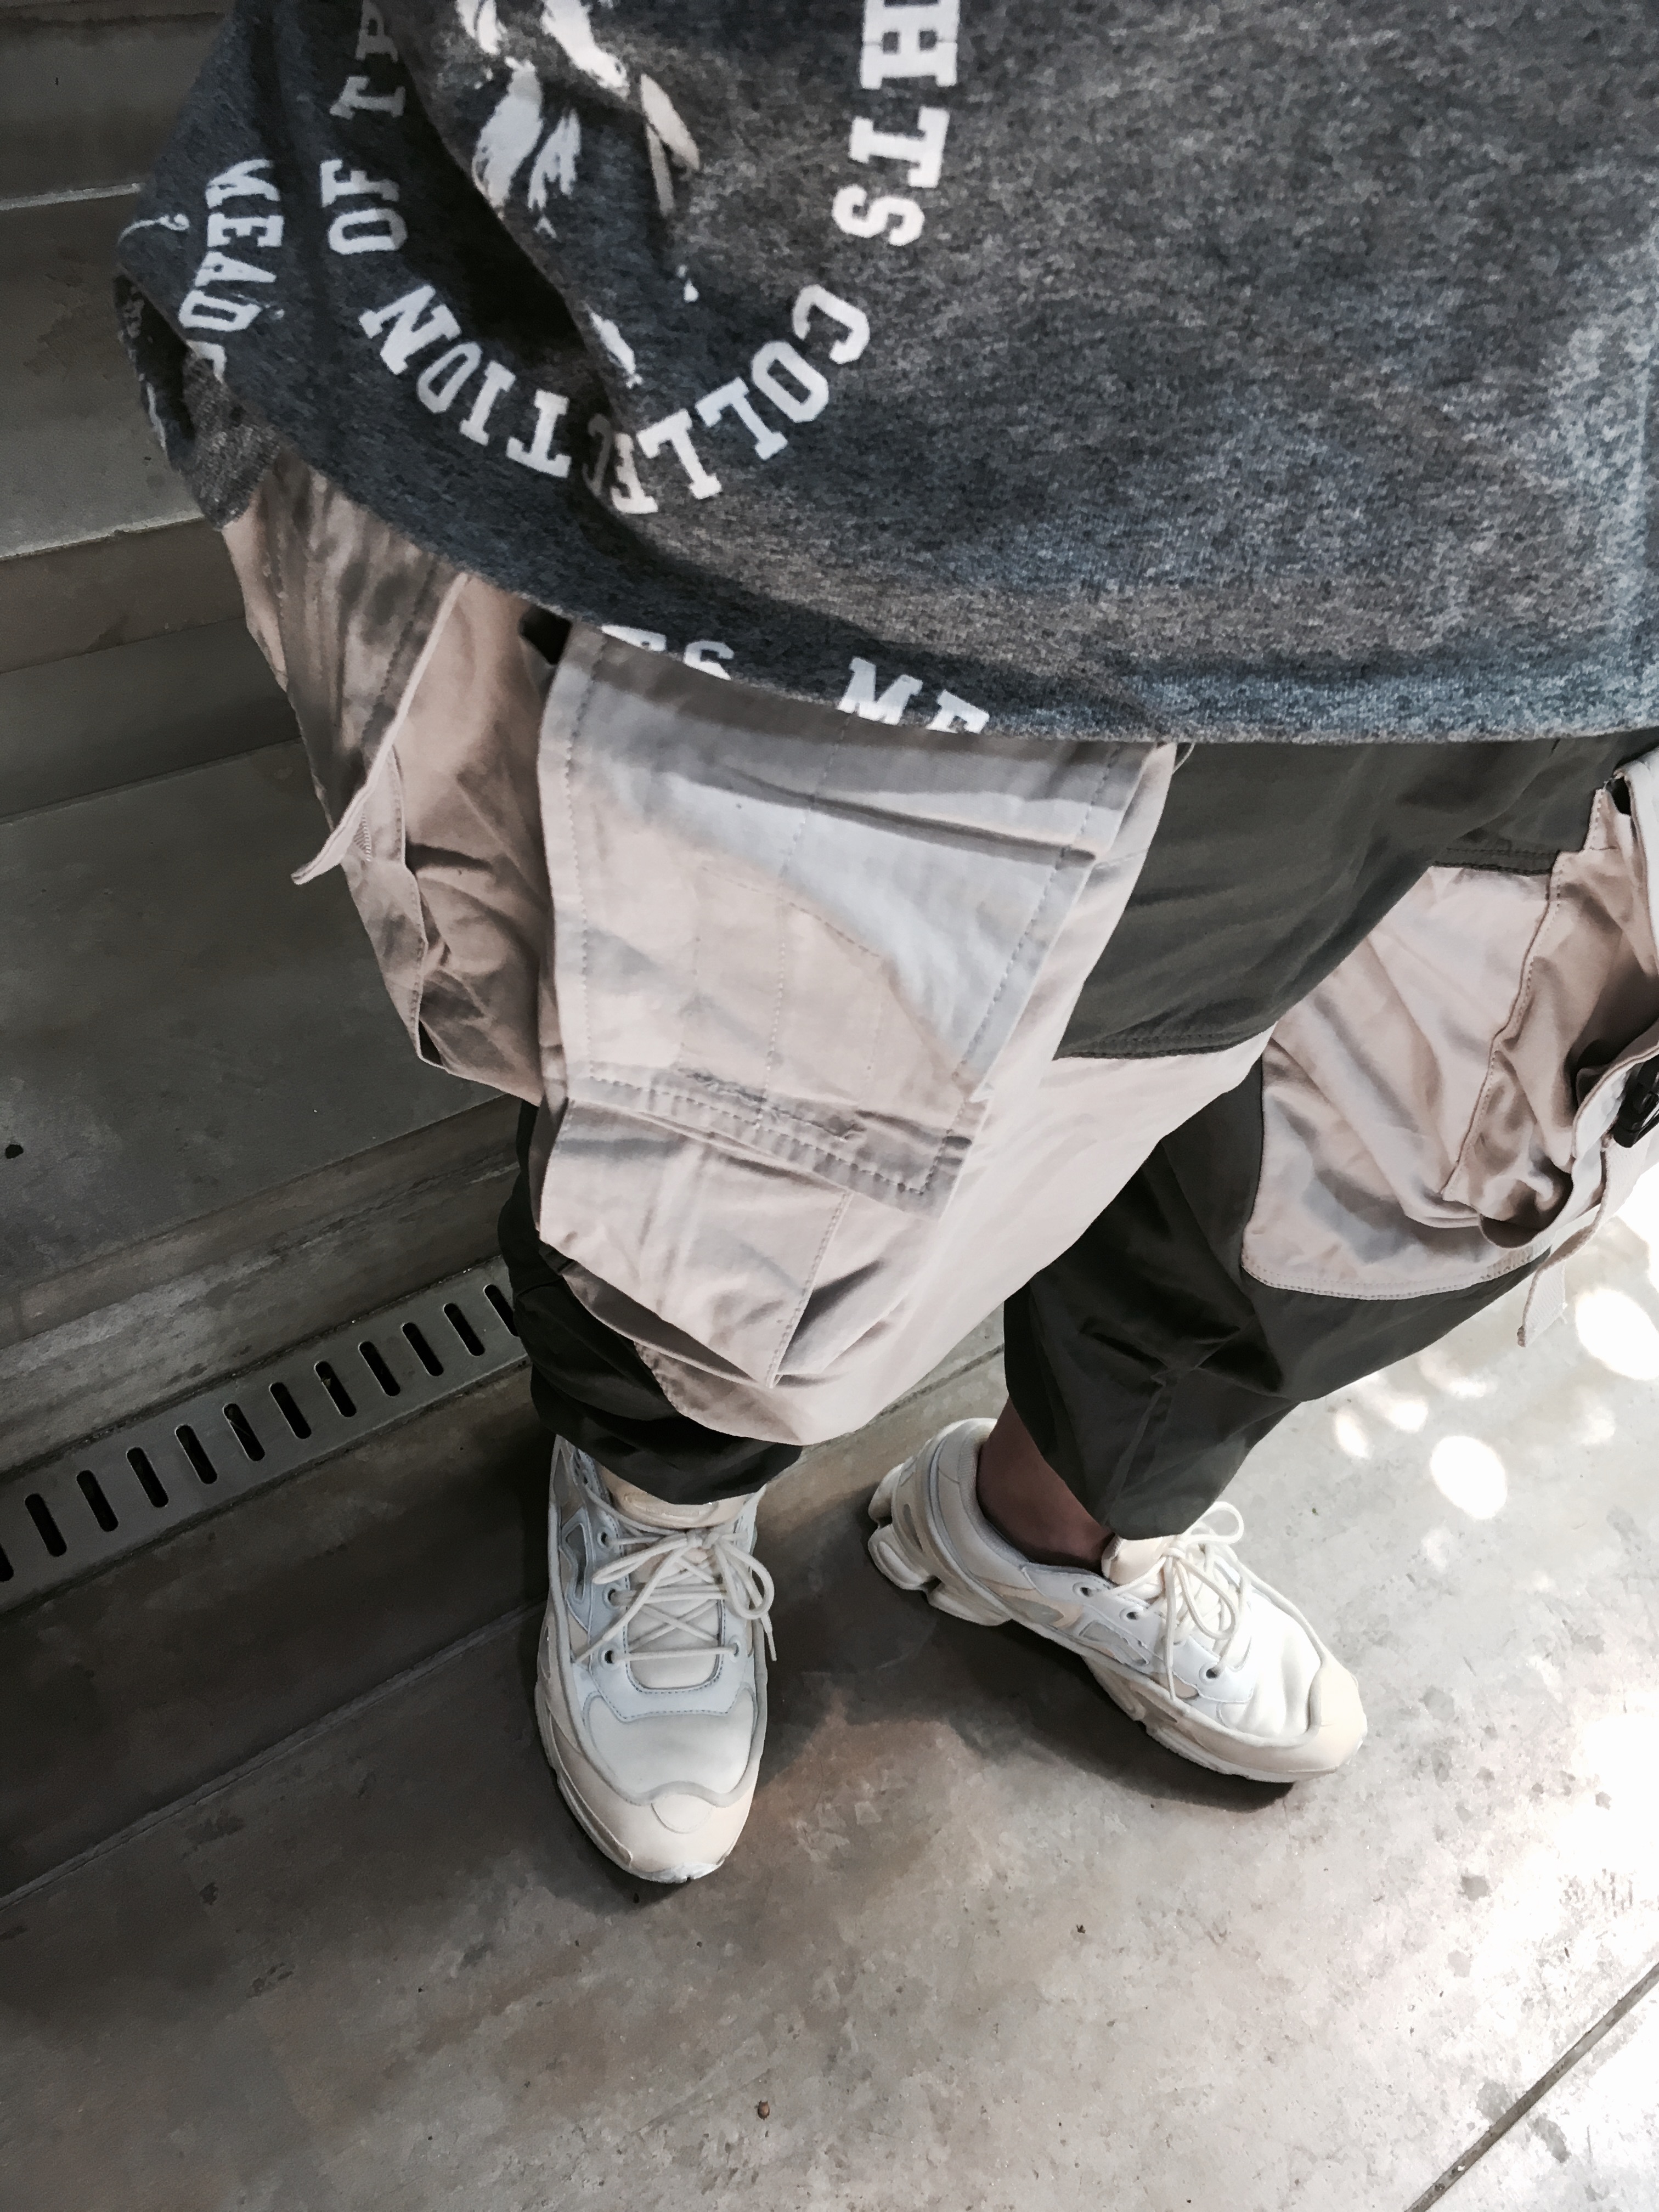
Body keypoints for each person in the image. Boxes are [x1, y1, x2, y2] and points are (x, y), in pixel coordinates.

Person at [120, 1, 1659, 1881]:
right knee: (763, 1127)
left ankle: (1066, 1522)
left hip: (1585, 518)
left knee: (1417, 1125)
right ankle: (659, 1496)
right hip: (957, 460)